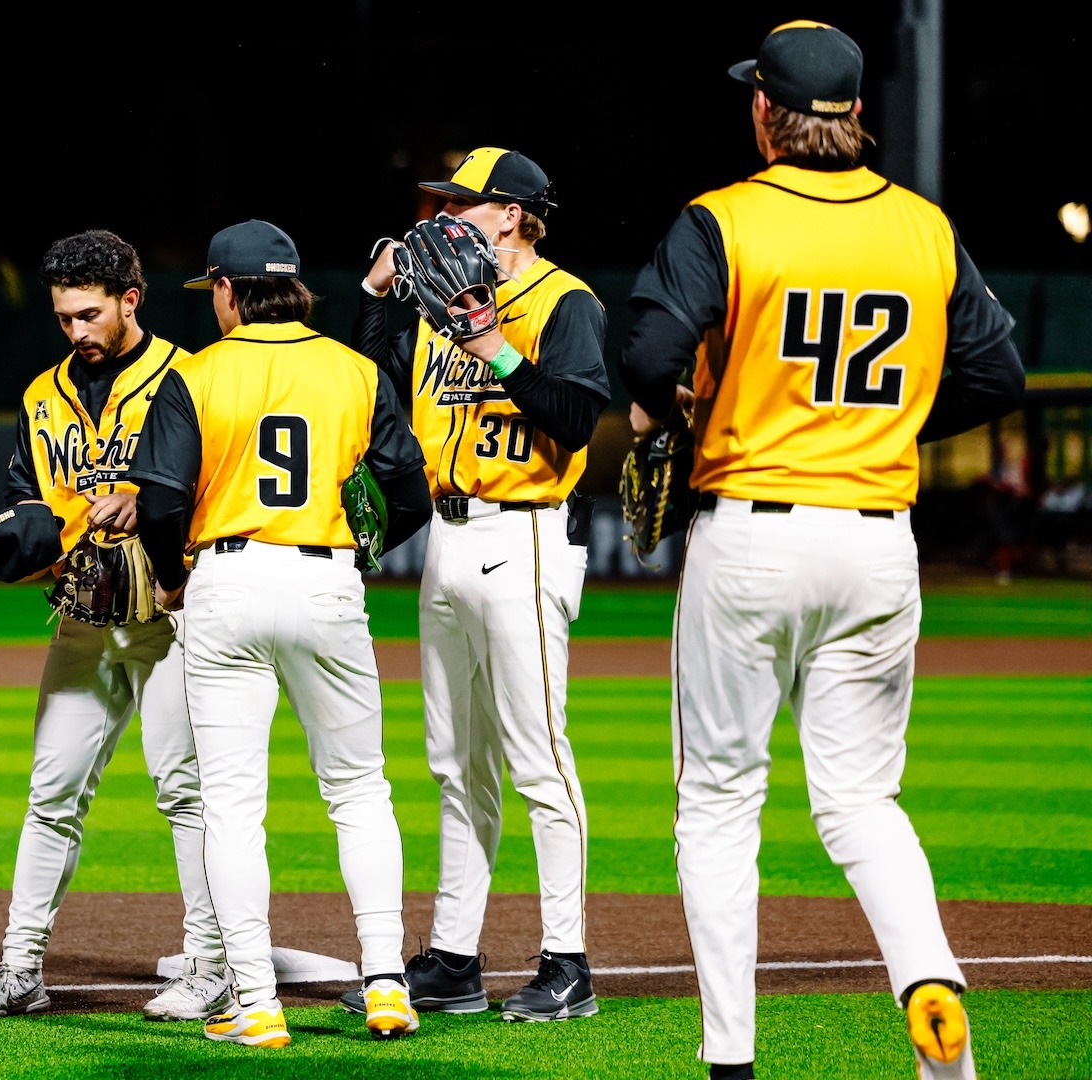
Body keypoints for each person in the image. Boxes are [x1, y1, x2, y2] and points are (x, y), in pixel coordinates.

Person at [619, 21, 1024, 1080]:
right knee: (859, 800)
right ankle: (927, 981)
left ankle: (731, 1060)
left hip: (753, 532)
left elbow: (650, 349)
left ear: (765, 111)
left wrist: (679, 412)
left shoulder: (725, 218)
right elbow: (998, 376)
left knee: (719, 801)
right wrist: (883, 428)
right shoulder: (925, 227)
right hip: (878, 542)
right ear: (856, 116)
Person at [128, 219, 433, 1047]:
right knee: (359, 789)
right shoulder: (354, 370)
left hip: (226, 581)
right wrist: (358, 551)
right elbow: (410, 496)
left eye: (214, 290)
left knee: (231, 805)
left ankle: (258, 1004)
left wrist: (171, 576)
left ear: (228, 289)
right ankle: (386, 984)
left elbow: (161, 501)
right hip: (324, 580)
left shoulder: (195, 374)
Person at [343, 147, 609, 1022]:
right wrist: (378, 296)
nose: (445, 215)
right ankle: (454, 960)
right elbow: (371, 390)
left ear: (513, 214)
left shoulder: (565, 302)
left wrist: (491, 345)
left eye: (464, 203)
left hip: (522, 533)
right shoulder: (437, 305)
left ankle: (567, 962)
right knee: (456, 763)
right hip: (448, 541)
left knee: (538, 757)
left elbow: (576, 418)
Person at [0, 230, 228, 1022]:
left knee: (185, 791)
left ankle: (212, 966)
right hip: (82, 620)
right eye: (63, 317)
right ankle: (21, 970)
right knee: (51, 793)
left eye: (88, 314)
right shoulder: (42, 395)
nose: (75, 330)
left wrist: (150, 502)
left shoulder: (189, 377)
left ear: (129, 300)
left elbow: (215, 487)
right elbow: (27, 498)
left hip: (172, 618)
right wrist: (26, 542)